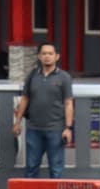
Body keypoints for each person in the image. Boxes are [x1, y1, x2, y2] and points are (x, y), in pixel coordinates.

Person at [12, 41, 74, 178]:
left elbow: (68, 103)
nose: (47, 56)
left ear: (57, 56)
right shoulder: (32, 75)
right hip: (34, 129)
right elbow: (25, 99)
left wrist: (68, 128)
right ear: (39, 56)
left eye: (50, 53)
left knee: (56, 170)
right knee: (31, 168)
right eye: (44, 53)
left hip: (56, 130)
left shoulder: (64, 77)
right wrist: (17, 122)